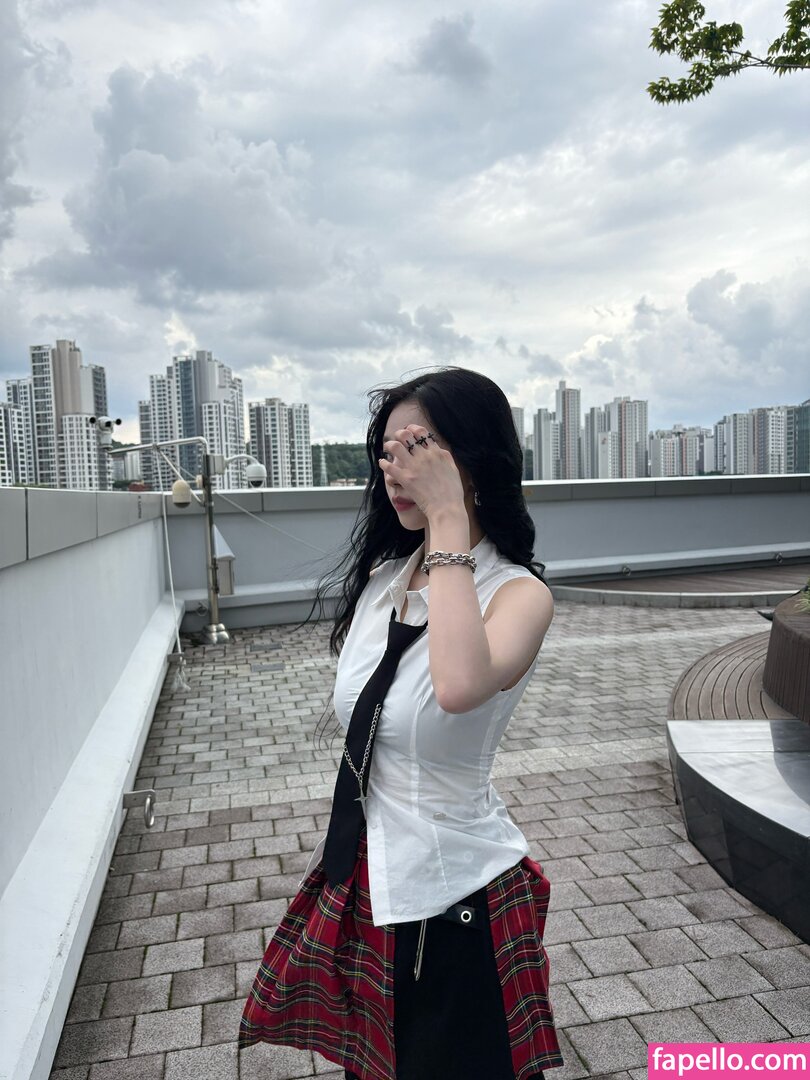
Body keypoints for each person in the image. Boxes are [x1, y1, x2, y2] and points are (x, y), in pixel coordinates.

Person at [240, 368, 563, 1080]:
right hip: (366, 880)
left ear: (473, 458)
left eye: (419, 447)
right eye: (388, 452)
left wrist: (448, 519)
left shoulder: (518, 595)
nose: (397, 469)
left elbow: (459, 687)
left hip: (456, 895)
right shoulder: (384, 584)